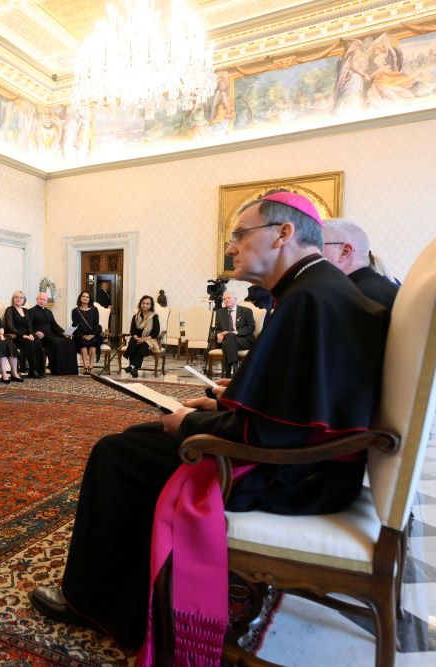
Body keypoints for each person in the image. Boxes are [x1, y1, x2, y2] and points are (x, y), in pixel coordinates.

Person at [29, 191, 388, 664]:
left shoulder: (310, 298)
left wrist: (192, 422)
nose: (231, 247)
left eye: (240, 235)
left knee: (115, 455)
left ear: (283, 234)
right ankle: (128, 593)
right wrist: (224, 400)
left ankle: (92, 601)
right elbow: (292, 400)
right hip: (315, 463)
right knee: (141, 438)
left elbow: (276, 431)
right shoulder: (313, 289)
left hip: (294, 475)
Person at [322, 218, 399, 309]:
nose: (312, 253)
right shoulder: (383, 285)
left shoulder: (355, 297)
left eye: (318, 245)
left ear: (344, 252)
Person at [29, 292, 78, 375]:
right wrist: (35, 332)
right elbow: (28, 326)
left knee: (70, 342)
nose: (42, 301)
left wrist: (65, 333)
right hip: (42, 338)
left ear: (47, 301)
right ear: (36, 299)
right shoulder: (31, 311)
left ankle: (70, 369)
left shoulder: (48, 312)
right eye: (40, 299)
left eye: (44, 300)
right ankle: (58, 370)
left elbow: (55, 325)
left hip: (52, 335)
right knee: (57, 342)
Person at [212, 291, 256, 379]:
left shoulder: (246, 311)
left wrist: (234, 332)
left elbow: (251, 328)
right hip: (227, 340)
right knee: (229, 338)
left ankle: (226, 371)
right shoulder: (220, 312)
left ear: (235, 299)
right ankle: (235, 368)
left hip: (243, 340)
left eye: (228, 298)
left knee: (229, 339)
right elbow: (217, 329)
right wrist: (219, 334)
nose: (226, 300)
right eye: (224, 298)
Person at [4, 290, 44, 378]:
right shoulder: (10, 309)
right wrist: (23, 335)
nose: (18, 299)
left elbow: (29, 325)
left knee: (37, 342)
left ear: (24, 300)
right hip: (16, 336)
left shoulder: (26, 310)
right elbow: (10, 327)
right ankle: (31, 371)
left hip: (27, 335)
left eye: (21, 298)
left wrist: (30, 334)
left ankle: (38, 370)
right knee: (30, 343)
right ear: (13, 299)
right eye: (16, 297)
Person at [122, 295, 160, 378]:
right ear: (140, 304)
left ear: (151, 306)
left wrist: (144, 339)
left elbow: (155, 333)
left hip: (149, 339)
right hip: (137, 338)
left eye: (147, 304)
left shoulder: (154, 317)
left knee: (142, 346)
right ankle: (134, 369)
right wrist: (137, 338)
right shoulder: (135, 316)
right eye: (143, 303)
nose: (145, 305)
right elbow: (132, 331)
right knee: (132, 343)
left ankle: (132, 367)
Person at [71, 290, 103, 375]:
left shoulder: (94, 309)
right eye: (83, 296)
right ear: (80, 298)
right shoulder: (75, 311)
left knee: (93, 342)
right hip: (80, 334)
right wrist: (82, 336)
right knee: (83, 342)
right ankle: (85, 366)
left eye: (87, 297)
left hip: (93, 333)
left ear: (90, 299)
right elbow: (75, 325)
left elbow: (96, 324)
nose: (85, 298)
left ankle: (91, 366)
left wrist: (92, 335)